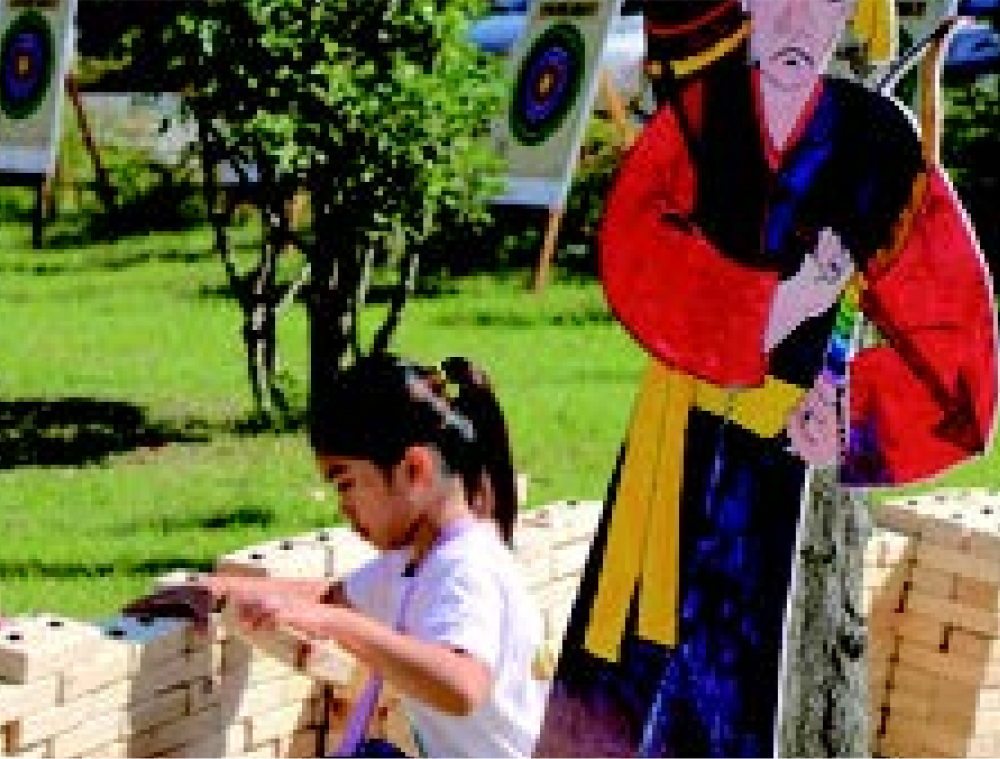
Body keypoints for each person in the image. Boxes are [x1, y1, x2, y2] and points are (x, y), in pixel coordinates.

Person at [535, 0, 998, 756]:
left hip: (767, 468)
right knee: (613, 691)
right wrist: (787, 302)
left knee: (730, 688)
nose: (794, 20)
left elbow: (959, 360)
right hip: (661, 456)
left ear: (850, 12)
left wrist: (848, 416)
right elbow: (636, 255)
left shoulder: (876, 144)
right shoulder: (695, 120)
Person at [129, 354, 546, 758]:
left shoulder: (465, 567)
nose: (344, 507)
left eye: (346, 484)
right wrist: (213, 590)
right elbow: (332, 596)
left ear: (414, 469)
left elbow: (462, 686)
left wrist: (333, 623)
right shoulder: (418, 563)